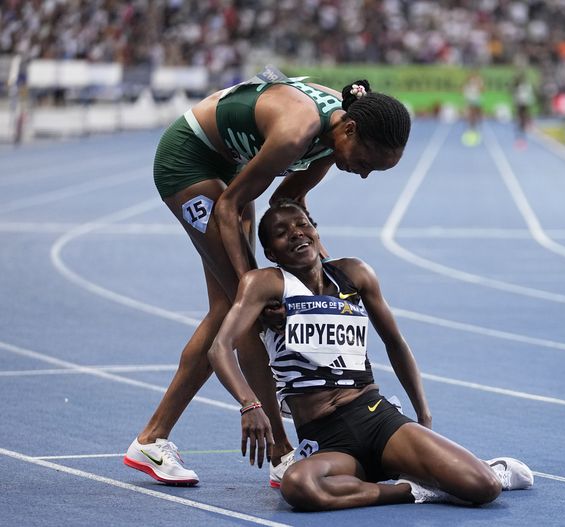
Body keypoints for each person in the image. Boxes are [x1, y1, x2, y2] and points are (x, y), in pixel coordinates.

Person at [122, 65, 411, 486]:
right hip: (188, 161)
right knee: (249, 313)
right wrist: (254, 288)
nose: (364, 173)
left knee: (229, 309)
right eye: (365, 162)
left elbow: (288, 198)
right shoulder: (297, 132)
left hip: (230, 167)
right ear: (349, 131)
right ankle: (279, 451)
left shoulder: (339, 133)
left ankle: (153, 438)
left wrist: (324, 275)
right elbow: (227, 207)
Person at [206, 199, 534, 510]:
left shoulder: (354, 274)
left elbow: (395, 342)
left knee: (484, 487)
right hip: (325, 438)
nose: (296, 234)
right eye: (282, 232)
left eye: (303, 224)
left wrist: (424, 415)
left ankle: (484, 469)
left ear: (317, 233)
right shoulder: (265, 284)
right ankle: (413, 490)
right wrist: (249, 404)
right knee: (297, 486)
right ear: (270, 252)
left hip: (376, 417)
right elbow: (219, 348)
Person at [462, 70, 484, 147]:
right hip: (470, 99)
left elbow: (482, 89)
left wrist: (478, 83)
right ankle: (472, 126)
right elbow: (464, 90)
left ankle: (476, 124)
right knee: (471, 113)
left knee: (477, 113)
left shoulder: (478, 82)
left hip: (476, 99)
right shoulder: (468, 84)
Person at [512, 71, 535, 148]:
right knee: (521, 114)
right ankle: (522, 125)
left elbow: (529, 94)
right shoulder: (518, 87)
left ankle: (526, 124)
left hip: (524, 102)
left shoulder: (526, 86)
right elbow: (516, 94)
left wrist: (528, 100)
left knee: (525, 114)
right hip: (520, 102)